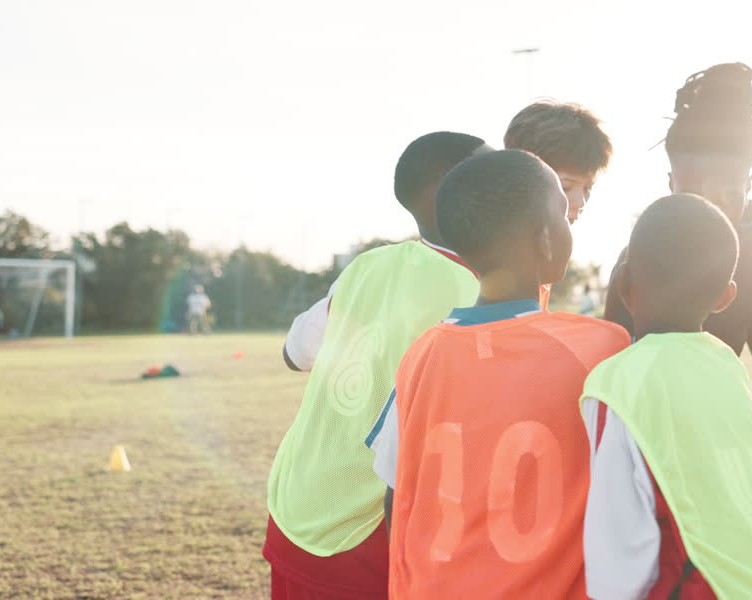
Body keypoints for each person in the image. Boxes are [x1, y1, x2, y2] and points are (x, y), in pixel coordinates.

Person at [379, 149, 630, 598]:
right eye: (562, 210)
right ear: (545, 239)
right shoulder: (599, 347)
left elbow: (395, 494)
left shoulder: (420, 354)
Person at [263, 131, 489, 600]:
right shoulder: (477, 294)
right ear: (447, 188)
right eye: (491, 171)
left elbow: (295, 353)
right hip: (369, 529)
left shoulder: (367, 267)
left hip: (295, 504)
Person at [581, 194, 752, 599]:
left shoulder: (615, 382)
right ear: (727, 297)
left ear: (622, 283)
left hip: (709, 589)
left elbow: (617, 548)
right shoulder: (726, 364)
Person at [604, 63, 752, 382]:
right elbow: (616, 371)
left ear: (748, 185)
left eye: (727, 198)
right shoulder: (640, 261)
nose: (708, 213)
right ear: (670, 184)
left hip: (724, 407)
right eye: (691, 195)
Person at [504, 100, 614, 308]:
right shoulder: (483, 271)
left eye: (588, 188)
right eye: (566, 187)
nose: (580, 202)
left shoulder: (539, 265)